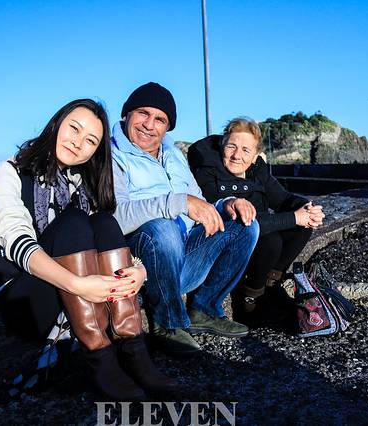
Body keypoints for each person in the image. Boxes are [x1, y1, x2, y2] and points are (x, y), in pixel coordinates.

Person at [0, 98, 176, 400]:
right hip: (26, 298)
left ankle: (132, 349)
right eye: (74, 128)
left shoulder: (82, 182)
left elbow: (109, 237)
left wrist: (139, 270)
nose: (78, 143)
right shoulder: (10, 171)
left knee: (102, 220)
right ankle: (98, 355)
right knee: (74, 220)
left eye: (90, 141)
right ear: (57, 124)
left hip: (77, 294)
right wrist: (79, 285)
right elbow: (17, 241)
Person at [110, 83, 260, 357]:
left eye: (160, 119)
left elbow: (198, 201)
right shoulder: (111, 155)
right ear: (126, 114)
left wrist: (227, 203)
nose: (149, 125)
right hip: (145, 266)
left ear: (167, 127)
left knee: (245, 224)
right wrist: (177, 203)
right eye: (143, 113)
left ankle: (204, 308)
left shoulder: (174, 154)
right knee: (163, 228)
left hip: (184, 259)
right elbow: (116, 217)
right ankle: (167, 322)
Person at [188, 117, 326, 327]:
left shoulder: (256, 171)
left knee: (302, 228)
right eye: (231, 146)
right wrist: (294, 217)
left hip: (256, 243)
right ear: (222, 145)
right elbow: (243, 221)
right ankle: (248, 299)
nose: (237, 155)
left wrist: (308, 208)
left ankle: (270, 286)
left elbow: (283, 199)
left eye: (245, 150)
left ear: (255, 156)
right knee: (271, 240)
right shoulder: (207, 171)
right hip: (224, 244)